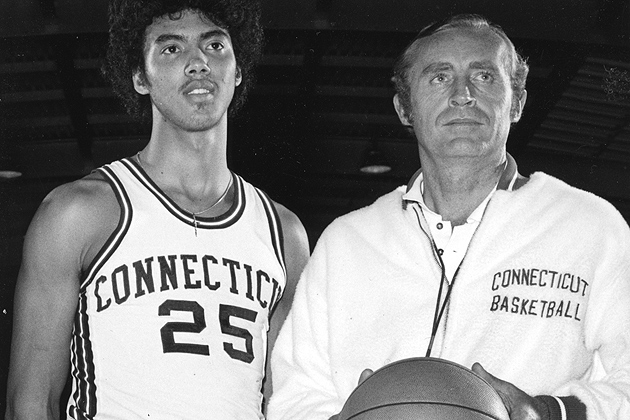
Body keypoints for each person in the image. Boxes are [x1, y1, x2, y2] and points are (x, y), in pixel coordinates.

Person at [267, 14, 630, 420]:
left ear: (518, 104)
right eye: (439, 78)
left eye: (485, 77)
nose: (463, 95)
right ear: (404, 109)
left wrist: (548, 412)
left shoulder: (590, 225)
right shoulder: (347, 240)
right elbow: (295, 392)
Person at [5, 0, 309, 419]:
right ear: (139, 77)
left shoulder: (283, 233)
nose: (199, 62)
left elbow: (288, 403)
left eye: (215, 45)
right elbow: (30, 402)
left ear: (238, 71)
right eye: (171, 49)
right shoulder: (81, 212)